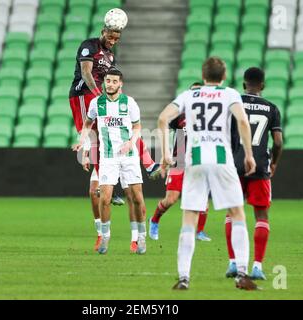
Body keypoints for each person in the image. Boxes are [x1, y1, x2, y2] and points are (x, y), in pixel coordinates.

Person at [158, 57, 259, 291]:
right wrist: (248, 154)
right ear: (223, 76)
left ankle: (183, 277)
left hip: (194, 159)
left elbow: (163, 118)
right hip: (221, 158)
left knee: (189, 218)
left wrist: (165, 154)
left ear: (203, 77)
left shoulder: (189, 95)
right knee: (237, 213)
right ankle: (242, 273)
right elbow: (242, 121)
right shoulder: (230, 94)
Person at [68, 26, 159, 250]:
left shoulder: (111, 58)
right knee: (96, 190)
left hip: (121, 153)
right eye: (110, 36)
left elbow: (135, 127)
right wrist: (101, 99)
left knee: (126, 130)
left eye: (117, 38)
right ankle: (103, 233)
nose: (113, 40)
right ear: (103, 32)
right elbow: (88, 74)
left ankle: (147, 163)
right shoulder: (89, 46)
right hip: (83, 95)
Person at [73, 69, 147, 255]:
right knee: (104, 199)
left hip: (129, 156)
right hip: (107, 157)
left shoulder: (129, 103)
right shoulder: (96, 103)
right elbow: (88, 123)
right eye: (108, 81)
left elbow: (137, 127)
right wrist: (83, 140)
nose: (110, 84)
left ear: (120, 84)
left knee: (137, 198)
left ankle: (141, 237)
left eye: (114, 81)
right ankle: (105, 236)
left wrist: (131, 142)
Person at [225, 67, 283, 280]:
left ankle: (233, 263)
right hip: (259, 167)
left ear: (243, 84)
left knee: (232, 213)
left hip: (234, 165)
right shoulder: (271, 108)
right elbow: (278, 142)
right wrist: (274, 164)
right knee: (261, 215)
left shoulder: (233, 104)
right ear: (263, 85)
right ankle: (257, 266)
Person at [149, 82, 211, 242]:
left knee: (203, 200)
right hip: (180, 159)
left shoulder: (209, 115)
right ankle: (154, 220)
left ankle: (200, 231)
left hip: (199, 160)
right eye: (194, 92)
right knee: (171, 199)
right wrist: (167, 153)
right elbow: (166, 130)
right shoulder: (179, 114)